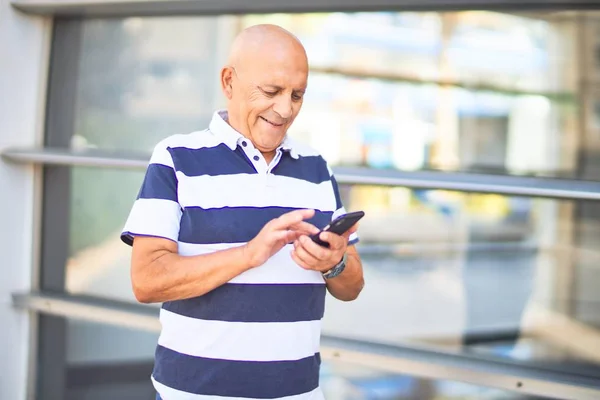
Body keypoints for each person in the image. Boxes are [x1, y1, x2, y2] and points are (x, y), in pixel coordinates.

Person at [121, 23, 364, 400]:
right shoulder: (175, 158)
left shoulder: (317, 168)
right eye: (271, 91)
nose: (285, 109)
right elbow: (147, 280)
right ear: (229, 81)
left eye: (297, 95)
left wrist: (332, 263)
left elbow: (352, 287)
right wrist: (250, 254)